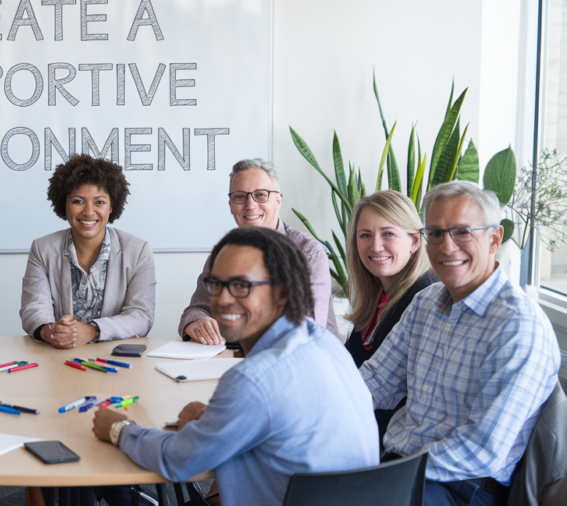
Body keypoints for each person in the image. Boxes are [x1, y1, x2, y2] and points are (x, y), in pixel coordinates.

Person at [92, 227, 378, 506]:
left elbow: (177, 461)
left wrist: (119, 428)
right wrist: (216, 420)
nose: (223, 299)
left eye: (242, 285)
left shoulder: (253, 380)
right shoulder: (325, 343)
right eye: (216, 284)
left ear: (282, 292)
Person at [360, 181, 561, 506]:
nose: (447, 247)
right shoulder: (426, 302)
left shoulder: (519, 325)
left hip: (463, 488)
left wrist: (385, 476)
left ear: (494, 239)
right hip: (399, 465)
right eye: (436, 234)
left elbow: (482, 450)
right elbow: (374, 382)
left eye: (462, 232)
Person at [179, 159, 338, 345]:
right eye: (239, 196)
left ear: (278, 200)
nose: (250, 205)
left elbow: (305, 326)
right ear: (230, 204)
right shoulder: (224, 254)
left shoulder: (308, 252)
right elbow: (196, 308)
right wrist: (197, 321)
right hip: (231, 358)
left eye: (260, 195)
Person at [20, 153, 156, 347]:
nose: (89, 212)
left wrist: (92, 331)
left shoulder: (139, 250)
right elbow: (34, 307)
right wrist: (50, 331)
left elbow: (141, 316)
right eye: (78, 201)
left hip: (113, 360)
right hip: (57, 356)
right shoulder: (42, 249)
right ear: (64, 204)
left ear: (111, 206)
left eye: (99, 202)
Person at [344, 190, 438, 443]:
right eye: (365, 235)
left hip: (388, 444)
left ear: (414, 241)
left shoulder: (426, 298)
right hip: (355, 423)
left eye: (388, 234)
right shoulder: (375, 294)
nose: (375, 246)